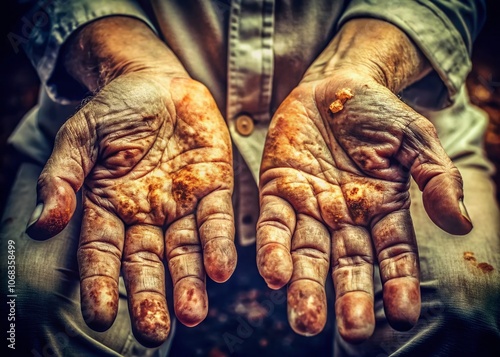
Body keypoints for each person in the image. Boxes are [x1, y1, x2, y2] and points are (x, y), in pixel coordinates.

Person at [1, 0, 499, 356]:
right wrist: (129, 65)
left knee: (464, 304)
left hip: (375, 147)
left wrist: (362, 67)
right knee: (27, 304)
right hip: (121, 143)